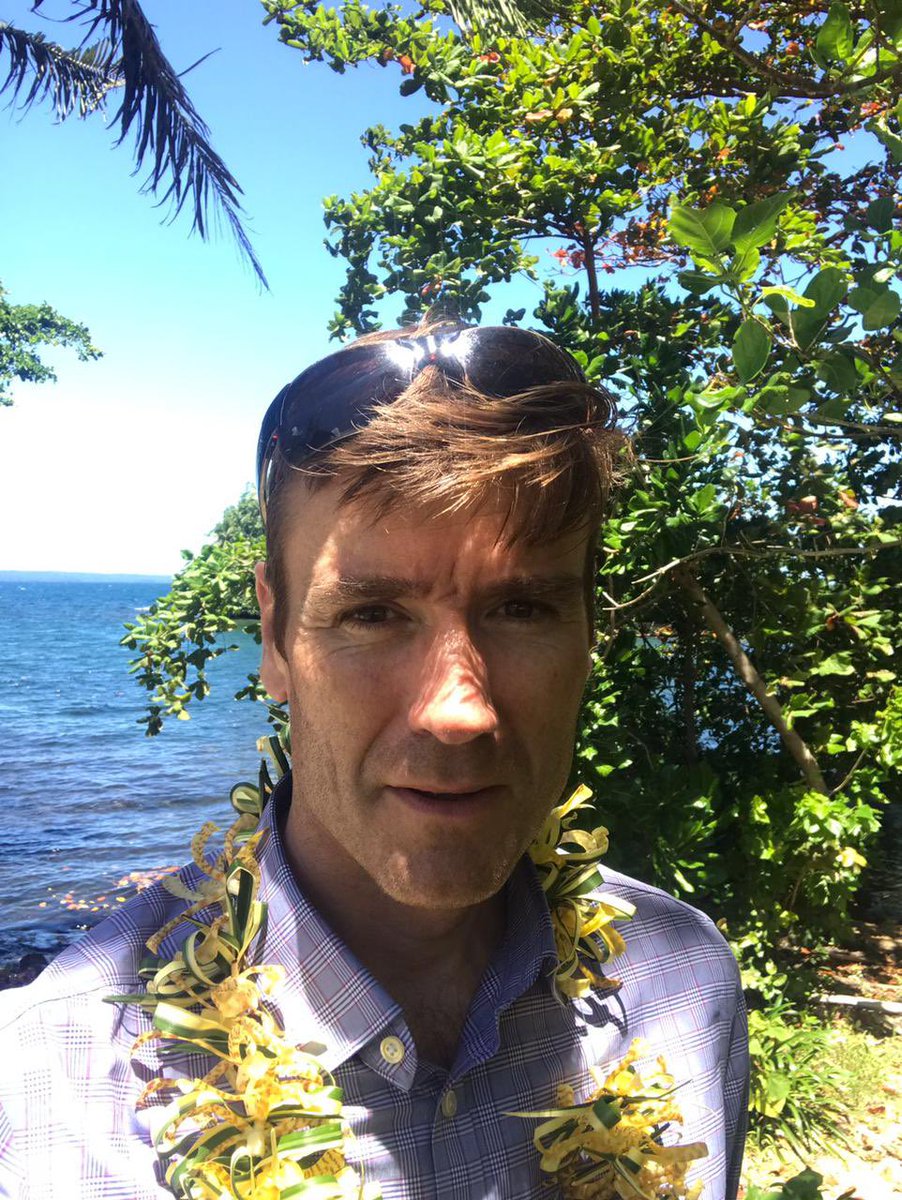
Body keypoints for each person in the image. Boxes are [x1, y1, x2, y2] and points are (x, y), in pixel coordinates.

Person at [0, 323, 748, 1200]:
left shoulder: (681, 983)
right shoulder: (59, 1089)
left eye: (521, 609)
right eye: (371, 615)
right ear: (274, 637)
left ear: (589, 634)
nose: (457, 711)